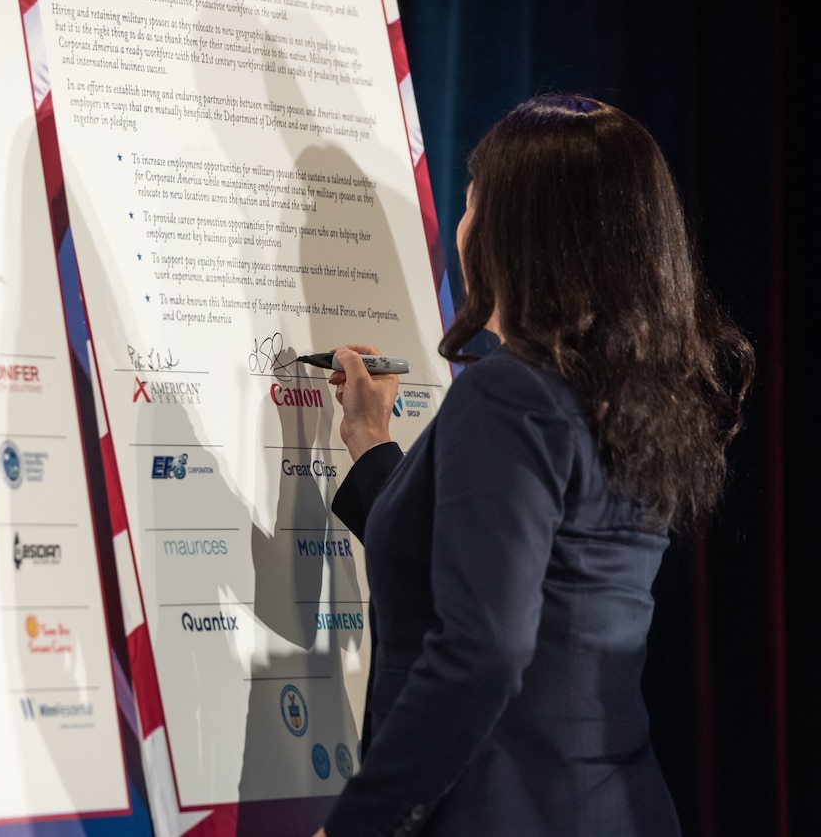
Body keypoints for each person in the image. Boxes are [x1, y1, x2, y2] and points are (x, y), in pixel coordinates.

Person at [312, 94, 753, 836]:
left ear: (513, 235)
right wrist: (369, 440)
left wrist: (358, 825)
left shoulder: (509, 391)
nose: (460, 229)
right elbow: (515, 567)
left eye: (471, 204)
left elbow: (484, 647)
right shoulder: (629, 395)